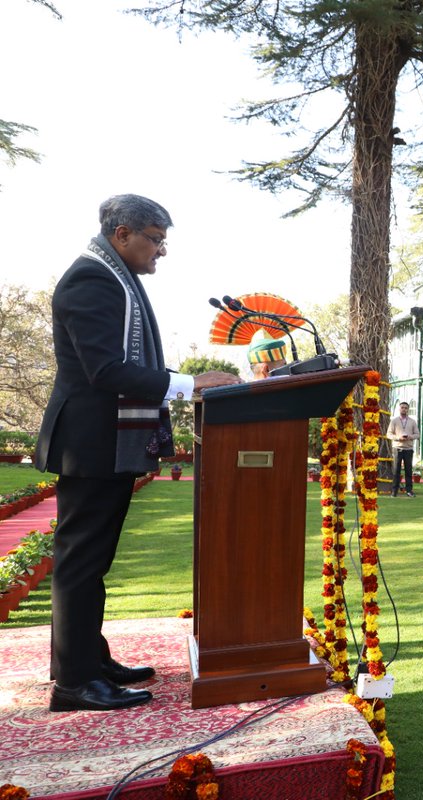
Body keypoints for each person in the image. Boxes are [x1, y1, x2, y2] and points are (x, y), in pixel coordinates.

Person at [35, 195, 241, 712]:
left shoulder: (112, 279)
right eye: (155, 238)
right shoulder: (92, 279)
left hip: (105, 441)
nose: (161, 251)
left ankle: (83, 658)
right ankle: (75, 684)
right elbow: (105, 371)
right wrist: (190, 383)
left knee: (90, 561)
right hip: (91, 442)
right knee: (81, 562)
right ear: (122, 234)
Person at [387, 401, 418, 497]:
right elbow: (388, 434)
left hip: (408, 449)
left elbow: (418, 434)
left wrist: (410, 437)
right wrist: (398, 438)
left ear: (408, 410)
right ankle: (394, 491)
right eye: (402, 407)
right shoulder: (394, 421)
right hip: (397, 448)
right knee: (396, 471)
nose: (404, 409)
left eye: (405, 408)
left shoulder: (412, 421)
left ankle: (409, 490)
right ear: (399, 409)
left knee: (408, 470)